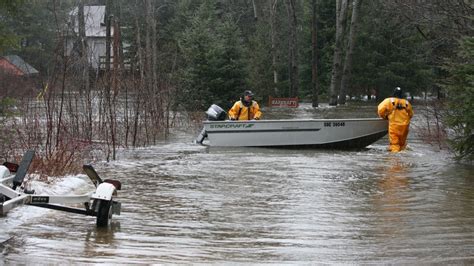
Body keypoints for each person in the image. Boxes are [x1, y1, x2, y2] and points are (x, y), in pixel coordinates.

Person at [377, 87, 414, 152]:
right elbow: (411, 114)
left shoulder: (388, 101)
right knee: (402, 144)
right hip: (405, 126)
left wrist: (384, 117)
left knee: (395, 144)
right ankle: (403, 159)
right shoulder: (406, 102)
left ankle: (395, 159)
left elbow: (380, 110)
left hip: (394, 126)